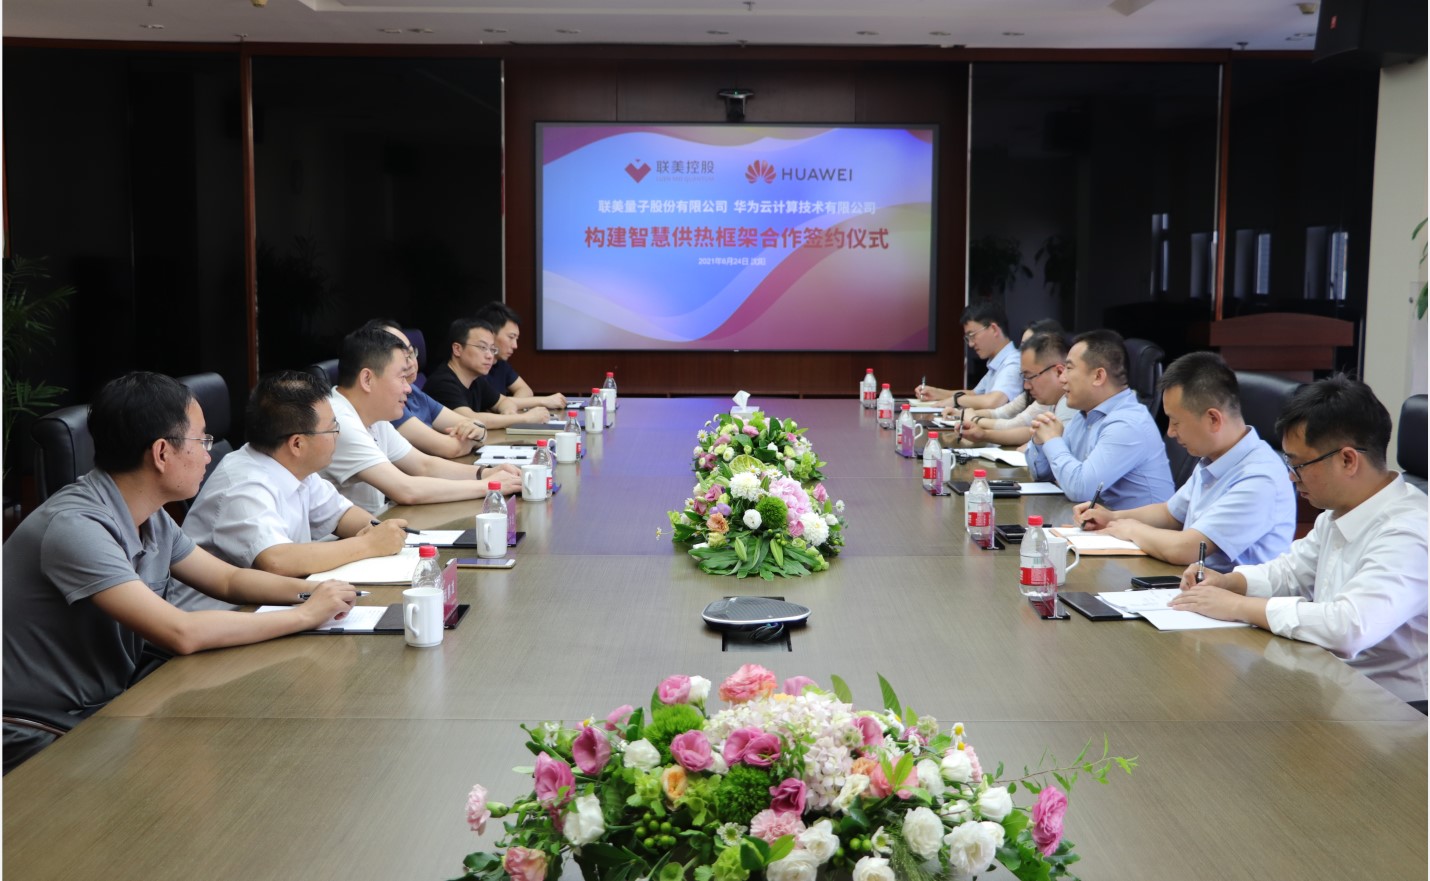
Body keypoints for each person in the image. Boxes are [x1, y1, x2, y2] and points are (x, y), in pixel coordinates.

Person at [3, 372, 359, 771]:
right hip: (33, 724)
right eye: (201, 441)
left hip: (102, 701)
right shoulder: (76, 527)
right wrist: (305, 615)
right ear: (161, 453)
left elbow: (228, 580)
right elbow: (181, 632)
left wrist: (317, 592)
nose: (209, 455)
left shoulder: (150, 515)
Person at [1169, 376, 1427, 710]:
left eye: (1299, 464)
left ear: (1348, 460)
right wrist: (1229, 583)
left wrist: (1235, 606)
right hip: (1330, 687)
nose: (1291, 476)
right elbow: (1290, 573)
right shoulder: (1339, 512)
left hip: (1395, 714)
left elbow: (1349, 626)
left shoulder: (1410, 530)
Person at [1073, 352, 1294, 569]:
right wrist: (1111, 517)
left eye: (1176, 422)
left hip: (1227, 590)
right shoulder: (1214, 458)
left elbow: (1187, 549)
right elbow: (1170, 513)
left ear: (1213, 419)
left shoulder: (1260, 478)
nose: (1170, 432)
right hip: (1193, 582)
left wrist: (1130, 528)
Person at [183, 370, 411, 577]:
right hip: (232, 608)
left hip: (277, 598)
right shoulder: (243, 486)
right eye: (332, 428)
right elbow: (277, 560)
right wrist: (368, 544)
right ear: (297, 444)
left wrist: (382, 532)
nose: (338, 435)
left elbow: (342, 515)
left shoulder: (294, 467)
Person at [321, 327, 521, 514]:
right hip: (346, 536)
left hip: (376, 525)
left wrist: (486, 473)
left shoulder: (373, 415)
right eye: (401, 377)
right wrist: (489, 486)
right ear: (367, 379)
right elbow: (406, 489)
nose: (408, 388)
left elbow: (424, 465)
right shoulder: (338, 422)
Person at [1027, 328, 1174, 509]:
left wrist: (1052, 440)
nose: (1062, 379)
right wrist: (1040, 441)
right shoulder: (1083, 415)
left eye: (1069, 368)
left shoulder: (1128, 423)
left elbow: (1081, 489)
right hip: (1097, 523)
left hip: (1137, 527)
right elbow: (1042, 475)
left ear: (1098, 376)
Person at [360, 319, 487, 459]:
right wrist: (476, 436)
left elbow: (474, 424)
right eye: (401, 357)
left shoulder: (414, 391)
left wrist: (479, 432)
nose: (410, 363)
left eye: (410, 353)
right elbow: (448, 448)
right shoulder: (386, 403)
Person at [423, 318, 553, 429]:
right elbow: (470, 420)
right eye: (483, 348)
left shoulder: (476, 380)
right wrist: (525, 418)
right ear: (457, 349)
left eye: (492, 349)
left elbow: (504, 401)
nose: (490, 356)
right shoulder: (442, 383)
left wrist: (508, 412)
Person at [956, 331, 1077, 448]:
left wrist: (975, 420)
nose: (1026, 386)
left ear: (1059, 372)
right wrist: (984, 435)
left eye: (1030, 376)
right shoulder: (1052, 399)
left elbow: (1058, 453)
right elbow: (1029, 432)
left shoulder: (1069, 404)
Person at [916, 302, 1022, 410]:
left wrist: (956, 400)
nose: (971, 344)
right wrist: (936, 393)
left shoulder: (1013, 362)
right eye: (968, 338)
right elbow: (975, 395)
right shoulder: (997, 362)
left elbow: (993, 401)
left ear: (993, 329)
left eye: (972, 335)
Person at [475, 302, 567, 412]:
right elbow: (491, 402)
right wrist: (543, 400)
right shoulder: (473, 367)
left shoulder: (500, 363)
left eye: (516, 339)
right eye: (511, 337)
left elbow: (525, 390)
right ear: (489, 334)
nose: (515, 346)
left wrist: (508, 406)